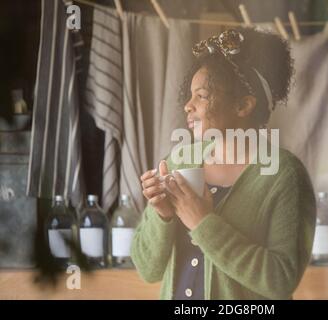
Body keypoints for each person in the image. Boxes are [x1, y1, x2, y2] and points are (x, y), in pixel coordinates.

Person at [132, 27, 316, 300]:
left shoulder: (284, 175)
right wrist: (163, 215)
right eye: (190, 95)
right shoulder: (180, 160)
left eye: (202, 96)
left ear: (243, 106)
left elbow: (281, 279)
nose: (187, 106)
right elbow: (148, 270)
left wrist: (202, 222)